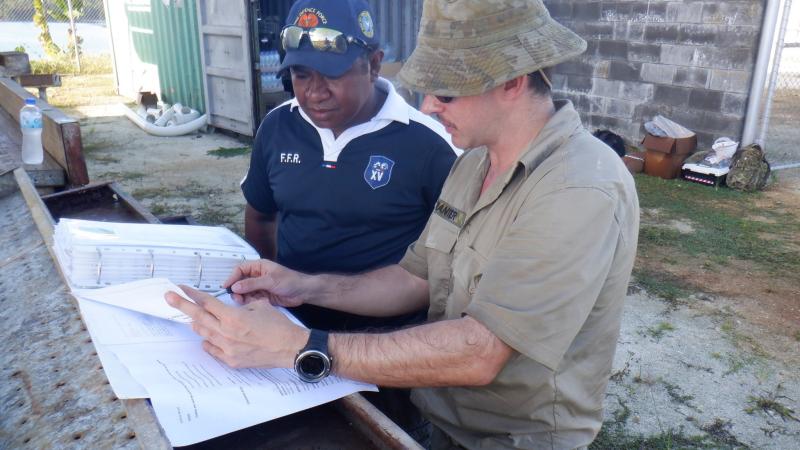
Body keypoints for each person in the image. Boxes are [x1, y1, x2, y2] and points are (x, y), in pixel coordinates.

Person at [168, 0, 640, 448]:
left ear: (513, 81)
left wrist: (301, 346)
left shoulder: (578, 187)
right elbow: (414, 278)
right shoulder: (474, 164)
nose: (430, 105)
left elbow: (481, 351)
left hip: (517, 437)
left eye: (447, 91)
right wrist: (304, 286)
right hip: (446, 415)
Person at [242, 0, 459, 331]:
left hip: (388, 340)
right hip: (291, 327)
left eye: (332, 75)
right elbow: (260, 214)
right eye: (301, 75)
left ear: (373, 65)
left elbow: (451, 262)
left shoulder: (431, 144)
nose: (315, 93)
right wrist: (268, 289)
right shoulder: (277, 127)